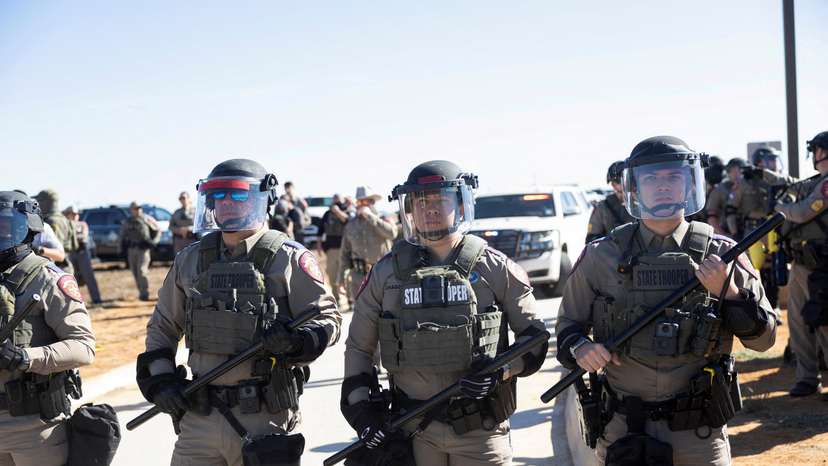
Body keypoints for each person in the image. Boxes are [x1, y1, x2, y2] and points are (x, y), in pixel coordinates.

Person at [556, 136, 777, 465]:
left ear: (689, 185)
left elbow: (764, 340)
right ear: (635, 187)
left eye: (673, 177)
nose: (662, 187)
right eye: (651, 179)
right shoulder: (602, 255)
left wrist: (728, 293)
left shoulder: (722, 253)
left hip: (700, 432)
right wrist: (580, 348)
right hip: (624, 430)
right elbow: (567, 328)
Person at [341, 160, 548, 465]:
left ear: (461, 205)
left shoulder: (494, 267)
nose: (430, 208)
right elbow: (359, 348)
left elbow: (535, 339)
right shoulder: (387, 274)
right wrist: (362, 413)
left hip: (482, 431)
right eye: (421, 201)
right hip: (414, 431)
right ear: (409, 210)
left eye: (441, 199)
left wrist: (501, 371)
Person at [136, 159, 341, 466]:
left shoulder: (288, 258)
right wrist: (162, 382)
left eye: (238, 194)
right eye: (218, 196)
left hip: (265, 418)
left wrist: (296, 342)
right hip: (200, 418)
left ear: (262, 199)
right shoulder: (190, 260)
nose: (227, 203)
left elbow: (329, 320)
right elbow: (163, 328)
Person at [0, 190, 95, 465]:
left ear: (25, 228)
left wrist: (26, 358)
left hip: (34, 428)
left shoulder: (48, 278)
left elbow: (83, 347)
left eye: (5, 226)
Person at [774, 131, 828, 398]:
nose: (814, 155)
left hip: (824, 266)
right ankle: (807, 378)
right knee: (797, 322)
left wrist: (781, 207)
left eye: (817, 150)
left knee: (824, 320)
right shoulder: (814, 182)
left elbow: (805, 211)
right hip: (801, 262)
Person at [339, 187, 397, 302]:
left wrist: (371, 217)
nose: (361, 205)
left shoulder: (383, 218)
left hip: (382, 274)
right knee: (362, 314)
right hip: (358, 277)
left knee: (386, 310)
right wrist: (341, 279)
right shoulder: (351, 225)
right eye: (359, 202)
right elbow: (344, 254)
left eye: (364, 201)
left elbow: (392, 233)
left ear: (372, 202)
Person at [586, 161, 635, 243]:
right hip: (614, 253)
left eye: (627, 179)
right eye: (619, 181)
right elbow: (591, 239)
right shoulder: (603, 207)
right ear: (613, 184)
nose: (624, 183)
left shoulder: (641, 204)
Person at [120, 202, 160, 301]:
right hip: (131, 250)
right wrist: (120, 248)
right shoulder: (128, 221)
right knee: (135, 272)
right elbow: (122, 235)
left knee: (142, 271)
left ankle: (144, 293)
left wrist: (154, 242)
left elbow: (158, 230)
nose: (137, 210)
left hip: (143, 250)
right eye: (135, 208)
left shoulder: (146, 219)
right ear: (131, 210)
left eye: (139, 208)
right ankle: (141, 291)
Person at [63, 206, 102, 305]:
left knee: (88, 276)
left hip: (82, 252)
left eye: (76, 214)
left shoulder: (82, 224)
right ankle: (75, 302)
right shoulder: (65, 225)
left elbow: (83, 237)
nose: (75, 216)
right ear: (68, 215)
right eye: (73, 214)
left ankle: (96, 299)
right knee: (72, 278)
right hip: (70, 253)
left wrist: (72, 236)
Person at [33, 190, 77, 275]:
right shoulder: (64, 219)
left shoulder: (51, 221)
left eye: (39, 201)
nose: (38, 204)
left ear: (47, 202)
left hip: (57, 267)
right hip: (65, 264)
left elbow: (56, 251)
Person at [320, 194, 351, 308]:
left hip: (345, 249)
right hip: (331, 250)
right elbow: (321, 230)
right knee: (332, 275)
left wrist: (338, 211)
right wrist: (319, 246)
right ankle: (337, 300)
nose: (336, 203)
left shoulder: (347, 211)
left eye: (339, 201)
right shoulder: (327, 214)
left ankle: (350, 300)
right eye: (335, 201)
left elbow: (347, 221)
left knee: (346, 276)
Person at [706, 158, 747, 236]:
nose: (737, 174)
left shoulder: (748, 188)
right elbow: (711, 219)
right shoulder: (719, 190)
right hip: (728, 233)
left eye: (741, 171)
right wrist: (725, 237)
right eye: (733, 171)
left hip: (748, 232)